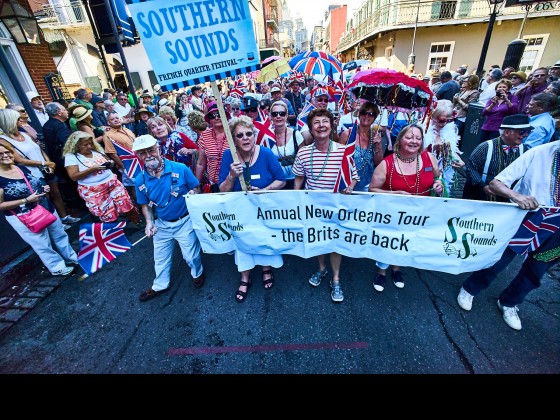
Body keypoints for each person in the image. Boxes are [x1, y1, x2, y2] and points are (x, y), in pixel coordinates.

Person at [457, 140, 560, 331]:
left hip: (557, 228)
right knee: (501, 259)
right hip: (529, 215)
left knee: (537, 268)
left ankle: (510, 303)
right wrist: (516, 196)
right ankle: (471, 288)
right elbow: (497, 183)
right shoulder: (540, 152)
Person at [293, 108, 358, 302]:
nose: (321, 126)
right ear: (311, 129)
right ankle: (321, 269)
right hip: (314, 207)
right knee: (319, 240)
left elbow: (354, 177)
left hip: (337, 207)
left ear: (331, 126)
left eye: (325, 122)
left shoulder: (342, 151)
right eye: (316, 123)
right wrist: (296, 202)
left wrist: (350, 187)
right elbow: (298, 181)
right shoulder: (303, 152)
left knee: (335, 243)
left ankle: (336, 279)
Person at [218, 115, 286, 302]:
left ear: (254, 136)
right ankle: (245, 277)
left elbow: (281, 179)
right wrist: (231, 177)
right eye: (240, 135)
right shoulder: (228, 157)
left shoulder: (265, 153)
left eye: (249, 134)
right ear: (234, 139)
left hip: (264, 209)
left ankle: (266, 268)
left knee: (264, 239)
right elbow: (222, 190)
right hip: (240, 213)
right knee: (243, 244)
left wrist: (265, 190)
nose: (245, 138)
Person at [369, 124, 444, 292]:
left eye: (418, 138)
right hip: (392, 216)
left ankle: (396, 268)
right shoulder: (387, 163)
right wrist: (394, 194)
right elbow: (372, 190)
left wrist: (438, 184)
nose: (413, 141)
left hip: (419, 215)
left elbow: (438, 177)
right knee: (390, 242)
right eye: (409, 137)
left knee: (407, 241)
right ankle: (381, 271)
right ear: (400, 140)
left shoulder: (429, 158)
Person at [132, 134, 206, 302]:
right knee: (160, 258)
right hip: (162, 225)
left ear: (159, 149)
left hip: (185, 221)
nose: (148, 155)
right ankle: (160, 285)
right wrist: (149, 222)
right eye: (142, 153)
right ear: (138, 156)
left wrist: (193, 194)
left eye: (151, 150)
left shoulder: (180, 168)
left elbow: (196, 187)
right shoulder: (139, 180)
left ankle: (197, 274)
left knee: (191, 256)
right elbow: (145, 205)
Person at [0, 142, 77, 276]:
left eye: (8, 152)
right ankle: (57, 267)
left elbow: (33, 184)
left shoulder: (20, 168)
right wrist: (25, 201)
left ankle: (71, 257)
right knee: (42, 243)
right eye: (1, 154)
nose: (6, 156)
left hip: (44, 207)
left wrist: (43, 188)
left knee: (59, 233)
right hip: (23, 215)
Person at [63, 131, 141, 226]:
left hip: (112, 183)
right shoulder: (71, 157)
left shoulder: (96, 150)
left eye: (90, 143)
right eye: (85, 145)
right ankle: (114, 234)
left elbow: (107, 160)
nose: (89, 146)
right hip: (93, 190)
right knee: (107, 215)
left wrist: (110, 163)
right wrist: (92, 169)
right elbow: (73, 176)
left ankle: (138, 223)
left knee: (127, 205)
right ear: (76, 146)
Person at [463, 114, 530, 202]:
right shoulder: (485, 147)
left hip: (506, 199)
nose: (525, 135)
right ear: (506, 132)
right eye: (521, 132)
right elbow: (470, 168)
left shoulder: (524, 150)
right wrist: (483, 186)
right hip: (479, 196)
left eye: (527, 131)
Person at [42, 102, 82, 223]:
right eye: (64, 109)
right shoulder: (59, 125)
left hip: (58, 160)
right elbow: (68, 143)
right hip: (65, 160)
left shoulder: (47, 125)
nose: (66, 111)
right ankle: (81, 206)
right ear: (58, 112)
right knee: (75, 182)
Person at [422, 99, 465, 197]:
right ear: (432, 117)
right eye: (441, 120)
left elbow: (452, 150)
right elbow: (412, 154)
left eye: (449, 120)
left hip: (443, 174)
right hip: (424, 172)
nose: (444, 123)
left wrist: (459, 160)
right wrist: (431, 148)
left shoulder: (449, 129)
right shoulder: (421, 130)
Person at [338, 101, 384, 191]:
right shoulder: (348, 134)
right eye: (364, 113)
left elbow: (378, 163)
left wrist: (378, 145)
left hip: (367, 184)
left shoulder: (375, 136)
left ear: (374, 118)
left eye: (371, 114)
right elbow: (338, 159)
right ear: (359, 115)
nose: (367, 116)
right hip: (347, 184)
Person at [265, 100, 304, 189]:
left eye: (282, 113)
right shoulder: (267, 137)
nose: (278, 116)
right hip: (275, 181)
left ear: (286, 116)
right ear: (271, 116)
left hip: (295, 181)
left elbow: (303, 160)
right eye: (275, 114)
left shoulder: (296, 134)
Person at [102, 112, 138, 202]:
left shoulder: (128, 130)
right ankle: (142, 207)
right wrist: (123, 167)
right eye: (112, 119)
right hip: (126, 165)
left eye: (117, 118)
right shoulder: (107, 135)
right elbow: (112, 153)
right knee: (134, 187)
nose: (116, 120)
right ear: (108, 122)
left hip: (138, 162)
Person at [195, 101, 230, 192]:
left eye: (219, 114)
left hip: (233, 182)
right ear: (209, 120)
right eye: (212, 116)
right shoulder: (204, 135)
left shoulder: (234, 132)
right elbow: (200, 163)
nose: (217, 118)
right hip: (214, 185)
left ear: (225, 115)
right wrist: (197, 185)